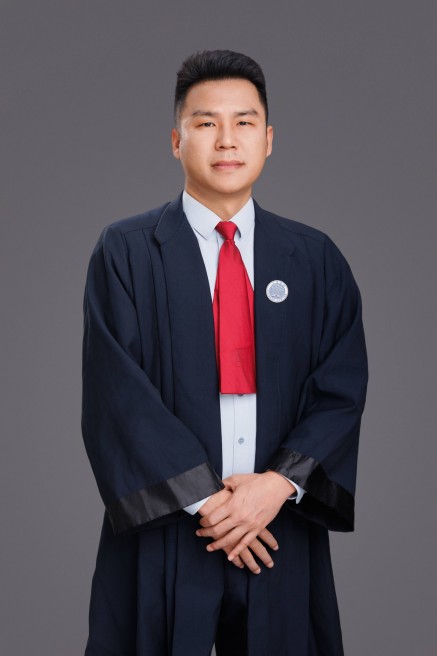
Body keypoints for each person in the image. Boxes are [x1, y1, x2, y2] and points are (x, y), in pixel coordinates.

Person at [81, 49, 368, 656]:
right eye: (206, 122)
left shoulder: (314, 259)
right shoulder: (126, 252)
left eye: (244, 122)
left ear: (269, 139)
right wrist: (211, 503)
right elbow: (117, 395)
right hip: (166, 528)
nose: (226, 140)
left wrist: (276, 487)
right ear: (176, 140)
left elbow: (341, 390)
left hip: (277, 528)